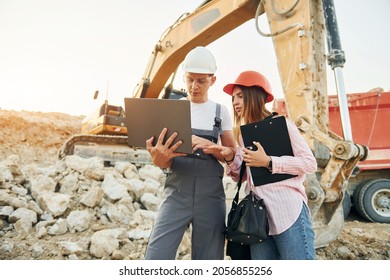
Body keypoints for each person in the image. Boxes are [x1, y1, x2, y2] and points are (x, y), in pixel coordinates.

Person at [205, 70, 317, 260]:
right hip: (259, 221)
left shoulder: (282, 124)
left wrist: (269, 161)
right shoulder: (243, 134)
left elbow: (309, 163)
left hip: (288, 213)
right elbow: (243, 176)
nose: (235, 102)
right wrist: (230, 158)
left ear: (255, 95)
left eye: (240, 96)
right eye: (233, 98)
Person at [143, 46, 236, 260]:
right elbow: (162, 159)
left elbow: (232, 153)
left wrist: (212, 147)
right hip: (176, 193)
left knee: (209, 260)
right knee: (156, 256)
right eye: (189, 79)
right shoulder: (172, 109)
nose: (194, 87)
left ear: (212, 80)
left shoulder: (220, 112)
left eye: (201, 81)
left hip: (211, 197)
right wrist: (158, 160)